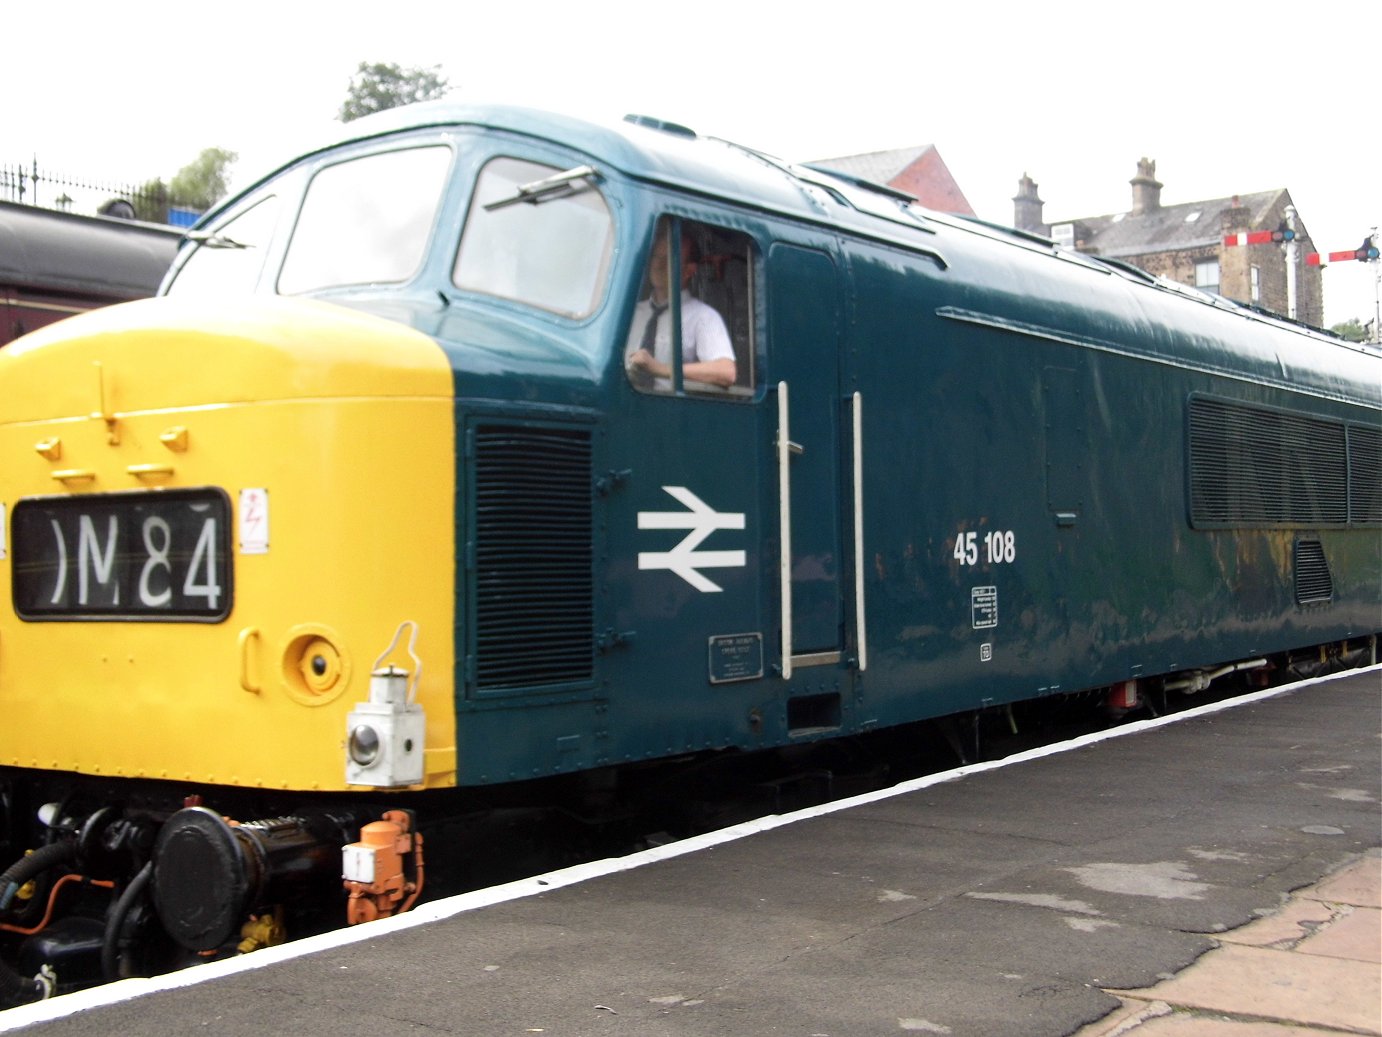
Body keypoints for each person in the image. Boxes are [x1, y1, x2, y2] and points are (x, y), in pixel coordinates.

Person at [625, 227, 736, 390]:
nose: (658, 264)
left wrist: (659, 369)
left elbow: (726, 372)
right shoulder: (630, 313)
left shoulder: (704, 317)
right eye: (656, 256)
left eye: (669, 258)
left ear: (689, 270)